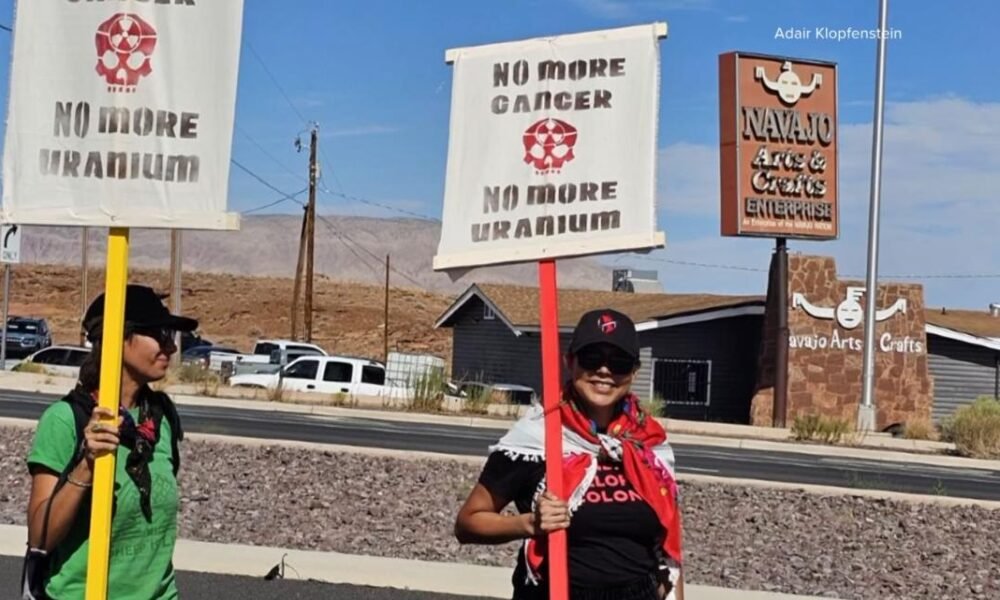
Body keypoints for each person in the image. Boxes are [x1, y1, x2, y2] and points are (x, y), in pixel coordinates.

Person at [455, 308, 685, 600]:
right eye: (591, 359)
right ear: (570, 361)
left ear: (634, 372)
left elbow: (668, 544)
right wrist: (529, 523)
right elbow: (468, 523)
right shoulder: (537, 438)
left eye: (619, 362)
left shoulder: (649, 445)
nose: (604, 370)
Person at [23, 285, 195, 599]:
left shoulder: (162, 417)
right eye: (158, 334)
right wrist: (86, 466)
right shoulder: (65, 421)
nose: (170, 346)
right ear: (118, 338)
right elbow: (40, 537)